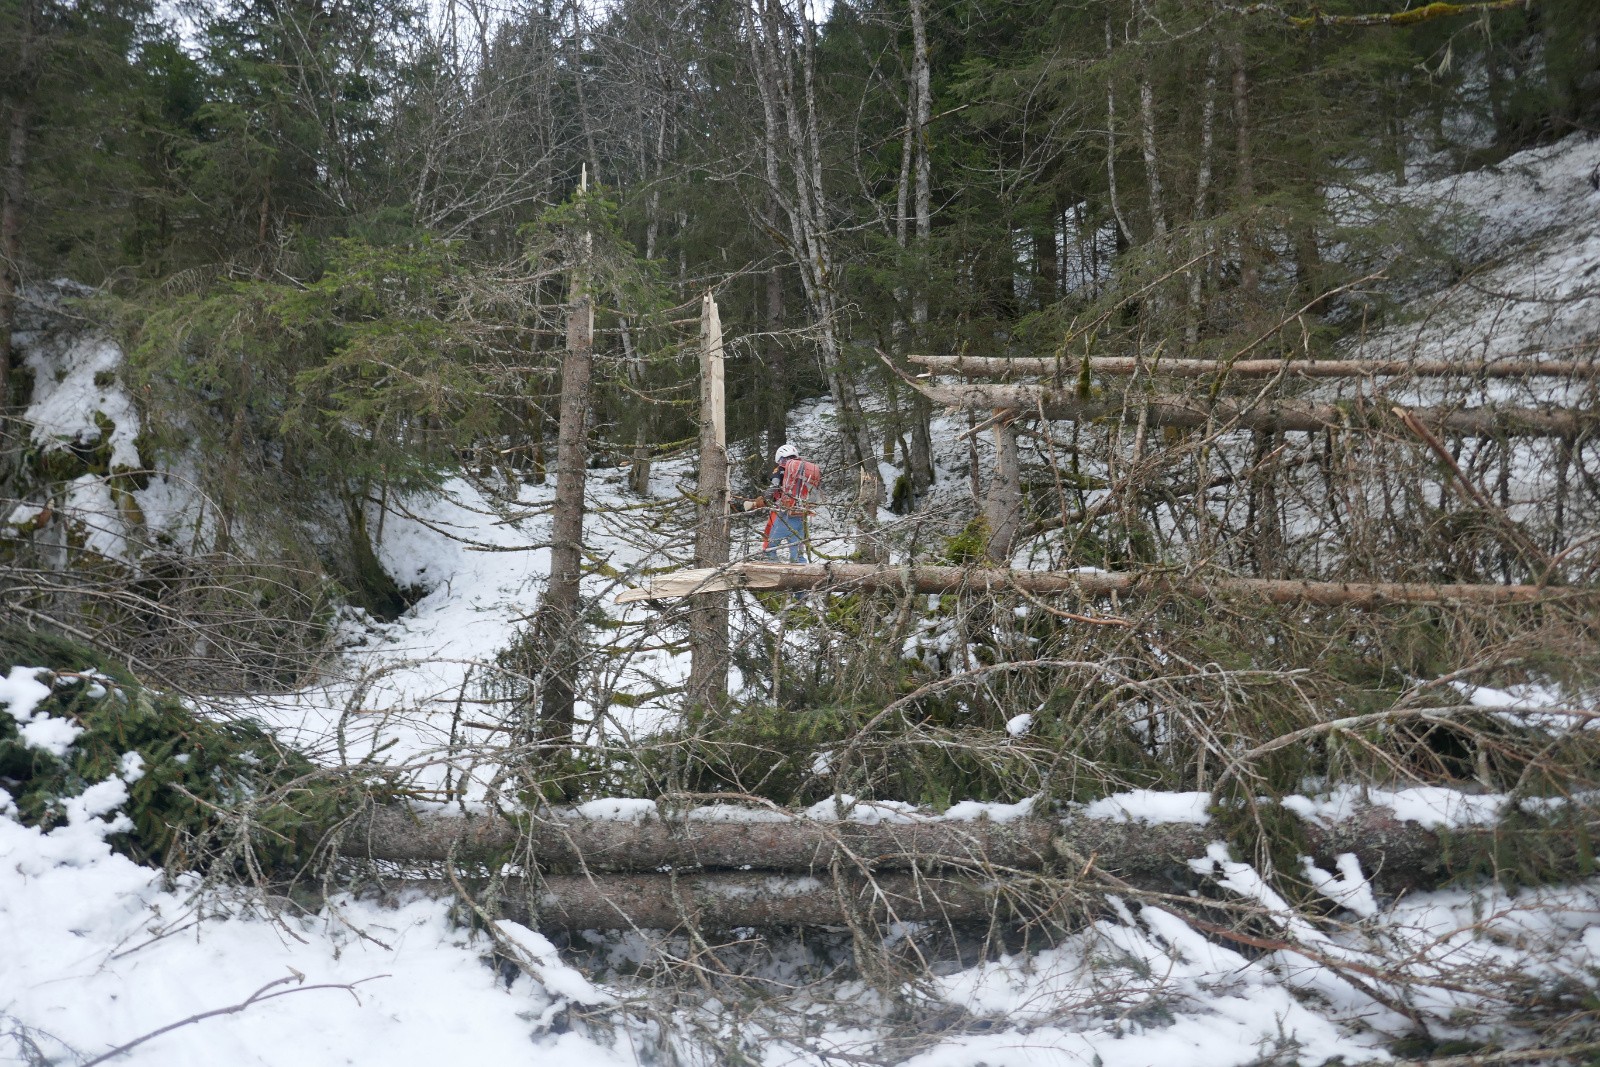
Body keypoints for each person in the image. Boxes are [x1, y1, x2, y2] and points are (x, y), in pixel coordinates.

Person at [745, 442, 820, 563]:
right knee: (797, 543)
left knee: (772, 543)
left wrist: (760, 501)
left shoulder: (780, 470)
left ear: (779, 459)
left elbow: (774, 488)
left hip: (786, 511)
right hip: (802, 511)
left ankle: (771, 562)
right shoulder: (803, 469)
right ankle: (799, 565)